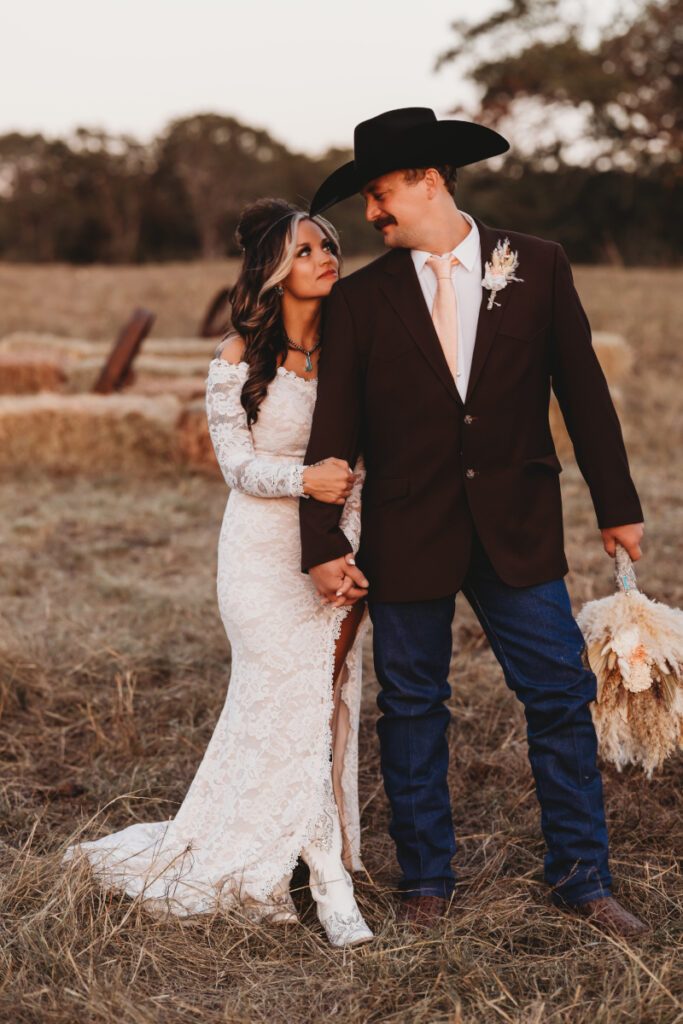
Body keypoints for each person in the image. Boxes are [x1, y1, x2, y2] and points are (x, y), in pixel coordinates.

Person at [299, 107, 648, 939]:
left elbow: (583, 392)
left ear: (428, 181)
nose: (372, 216)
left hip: (517, 525)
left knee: (559, 696)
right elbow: (332, 434)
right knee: (413, 705)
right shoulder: (358, 300)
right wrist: (321, 545)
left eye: (381, 196)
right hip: (406, 529)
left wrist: (618, 506)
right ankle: (426, 880)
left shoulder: (538, 264)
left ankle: (581, 877)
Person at [64, 199, 373, 948]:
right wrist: (306, 479)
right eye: (304, 251)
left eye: (327, 246)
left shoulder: (355, 350)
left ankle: (313, 855)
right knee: (280, 698)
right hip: (261, 557)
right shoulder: (238, 356)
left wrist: (354, 534)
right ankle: (312, 873)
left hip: (343, 545)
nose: (325, 258)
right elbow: (233, 466)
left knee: (331, 701)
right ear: (272, 270)